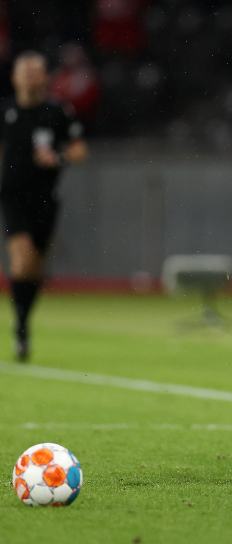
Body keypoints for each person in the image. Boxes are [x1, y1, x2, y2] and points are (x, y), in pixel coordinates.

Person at [0, 51, 88, 361]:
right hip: (11, 197)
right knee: (21, 260)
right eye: (24, 71)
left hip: (45, 198)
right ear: (14, 77)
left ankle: (23, 322)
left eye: (36, 71)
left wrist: (59, 158)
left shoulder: (57, 113)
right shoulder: (6, 111)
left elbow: (79, 150)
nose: (30, 77)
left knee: (34, 269)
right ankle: (21, 328)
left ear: (45, 77)